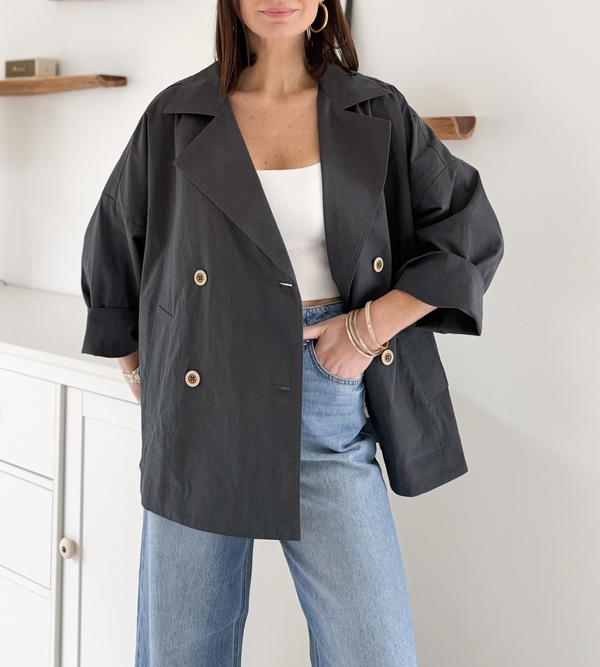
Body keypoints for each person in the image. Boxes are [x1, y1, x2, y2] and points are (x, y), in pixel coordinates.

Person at [80, 1, 504, 665]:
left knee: (376, 650)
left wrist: (365, 331)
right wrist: (140, 372)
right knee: (182, 651)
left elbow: (469, 230)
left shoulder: (378, 110)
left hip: (328, 402)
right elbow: (112, 247)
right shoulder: (175, 115)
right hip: (201, 405)